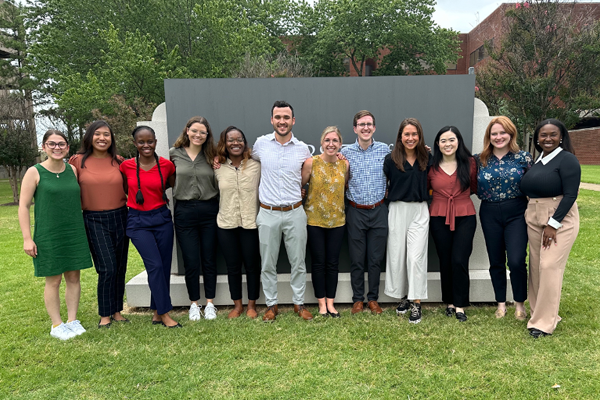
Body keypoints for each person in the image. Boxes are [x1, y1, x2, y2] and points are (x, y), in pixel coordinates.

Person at [18, 130, 93, 340]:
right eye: (52, 144)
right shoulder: (35, 172)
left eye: (61, 144)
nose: (57, 147)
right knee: (53, 279)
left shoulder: (72, 170)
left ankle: (72, 320)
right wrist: (27, 238)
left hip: (73, 231)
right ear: (44, 147)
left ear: (67, 147)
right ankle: (56, 324)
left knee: (73, 277)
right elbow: (23, 206)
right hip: (48, 233)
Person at [253, 100, 313, 322]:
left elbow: (306, 177)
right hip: (267, 212)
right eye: (278, 117)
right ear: (272, 120)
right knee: (268, 262)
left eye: (286, 117)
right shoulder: (260, 145)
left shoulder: (303, 149)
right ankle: (271, 305)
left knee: (298, 261)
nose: (282, 121)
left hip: (295, 212)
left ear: (293, 121)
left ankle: (299, 304)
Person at [520, 119, 580, 338]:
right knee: (536, 266)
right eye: (543, 135)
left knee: (549, 266)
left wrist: (553, 224)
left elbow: (571, 194)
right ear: (537, 138)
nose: (547, 139)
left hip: (558, 219)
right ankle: (537, 313)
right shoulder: (539, 160)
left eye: (552, 134)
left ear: (561, 136)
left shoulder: (567, 159)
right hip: (534, 217)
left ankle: (545, 323)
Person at [69, 121, 130, 328]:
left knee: (120, 267)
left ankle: (117, 310)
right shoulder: (77, 161)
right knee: (107, 267)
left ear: (111, 139)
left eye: (106, 134)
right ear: (89, 137)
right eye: (98, 134)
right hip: (94, 219)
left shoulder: (119, 161)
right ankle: (105, 314)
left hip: (121, 216)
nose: (102, 138)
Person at [120, 125, 180, 328]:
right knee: (153, 266)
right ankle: (164, 313)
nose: (146, 145)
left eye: (150, 141)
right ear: (135, 143)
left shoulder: (166, 165)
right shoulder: (126, 166)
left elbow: (171, 183)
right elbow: (123, 189)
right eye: (141, 142)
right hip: (137, 221)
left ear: (155, 141)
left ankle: (156, 310)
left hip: (162, 218)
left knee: (162, 267)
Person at [475, 117, 532, 321]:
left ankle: (519, 303)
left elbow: (535, 185)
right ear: (488, 137)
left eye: (502, 133)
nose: (498, 137)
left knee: (516, 260)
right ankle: (500, 304)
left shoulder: (523, 158)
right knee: (496, 260)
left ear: (511, 134)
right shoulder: (479, 159)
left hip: (516, 211)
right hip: (489, 212)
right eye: (494, 133)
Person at [340, 110, 390, 315]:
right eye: (361, 124)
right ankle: (358, 299)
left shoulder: (384, 150)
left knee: (376, 259)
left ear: (374, 127)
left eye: (369, 124)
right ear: (355, 128)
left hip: (379, 209)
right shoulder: (345, 153)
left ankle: (373, 299)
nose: (366, 127)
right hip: (355, 211)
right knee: (357, 258)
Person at [170, 116, 219, 321]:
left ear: (207, 136)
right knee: (191, 260)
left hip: (209, 210)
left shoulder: (213, 156)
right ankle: (194, 303)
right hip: (184, 210)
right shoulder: (174, 154)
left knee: (209, 258)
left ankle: (210, 304)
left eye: (203, 132)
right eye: (195, 131)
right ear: (187, 131)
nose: (198, 135)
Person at [383, 118, 431, 324]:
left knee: (415, 257)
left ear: (419, 136)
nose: (410, 138)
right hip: (397, 209)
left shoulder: (428, 157)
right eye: (407, 134)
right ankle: (404, 296)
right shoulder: (390, 159)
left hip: (419, 210)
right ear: (400, 137)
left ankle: (416, 302)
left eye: (414, 134)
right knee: (398, 255)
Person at [428, 126, 477, 322]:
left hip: (465, 214)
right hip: (439, 216)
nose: (447, 144)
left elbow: (473, 187)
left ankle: (460, 305)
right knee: (445, 259)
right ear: (437, 144)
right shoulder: (431, 166)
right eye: (443, 140)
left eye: (451, 140)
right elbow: (426, 189)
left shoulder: (471, 163)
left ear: (458, 141)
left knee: (459, 260)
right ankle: (449, 301)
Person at [301, 126, 349, 318]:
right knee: (319, 263)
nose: (331, 144)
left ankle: (331, 302)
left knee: (333, 263)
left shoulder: (344, 165)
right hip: (314, 221)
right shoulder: (311, 163)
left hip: (338, 221)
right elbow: (300, 186)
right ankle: (321, 303)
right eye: (327, 140)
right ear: (321, 143)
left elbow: (344, 188)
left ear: (340, 144)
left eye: (335, 141)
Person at [214, 126, 261, 319]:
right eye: (231, 140)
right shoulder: (216, 166)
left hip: (250, 223)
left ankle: (251, 305)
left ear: (245, 142)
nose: (235, 143)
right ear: (224, 143)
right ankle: (237, 306)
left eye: (239, 139)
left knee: (252, 266)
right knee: (232, 266)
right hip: (226, 223)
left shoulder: (256, 165)